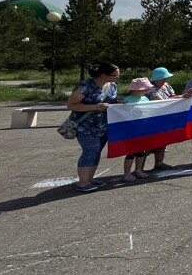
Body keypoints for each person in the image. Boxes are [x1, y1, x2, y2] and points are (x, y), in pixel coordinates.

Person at [66, 62, 120, 193]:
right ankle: (83, 183)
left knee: (96, 151)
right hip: (86, 126)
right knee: (90, 150)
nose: (117, 78)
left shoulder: (112, 86)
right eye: (115, 75)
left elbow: (112, 102)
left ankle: (90, 178)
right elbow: (71, 105)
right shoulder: (85, 86)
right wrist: (96, 107)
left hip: (103, 125)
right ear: (103, 75)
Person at [146, 66, 178, 169]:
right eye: (163, 78)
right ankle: (139, 167)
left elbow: (173, 96)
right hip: (153, 119)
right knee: (149, 144)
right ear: (156, 79)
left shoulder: (167, 85)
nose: (165, 80)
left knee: (163, 141)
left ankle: (159, 163)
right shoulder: (151, 89)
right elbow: (161, 102)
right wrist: (183, 96)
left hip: (165, 118)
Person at [121, 77, 153, 182]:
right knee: (130, 152)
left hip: (142, 129)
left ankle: (138, 170)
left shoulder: (145, 99)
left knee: (141, 152)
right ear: (136, 89)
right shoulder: (127, 100)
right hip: (131, 130)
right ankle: (127, 173)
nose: (146, 90)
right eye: (144, 88)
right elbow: (121, 113)